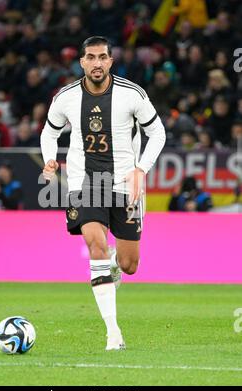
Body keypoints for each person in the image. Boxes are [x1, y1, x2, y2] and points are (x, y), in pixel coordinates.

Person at [40, 36, 166, 350]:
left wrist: (142, 168)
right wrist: (49, 158)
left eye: (103, 57)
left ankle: (113, 264)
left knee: (129, 265)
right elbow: (49, 131)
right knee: (95, 246)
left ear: (111, 60)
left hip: (126, 185)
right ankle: (113, 334)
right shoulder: (67, 97)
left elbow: (157, 131)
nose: (97, 63)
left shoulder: (131, 94)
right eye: (91, 57)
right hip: (86, 184)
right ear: (81, 62)